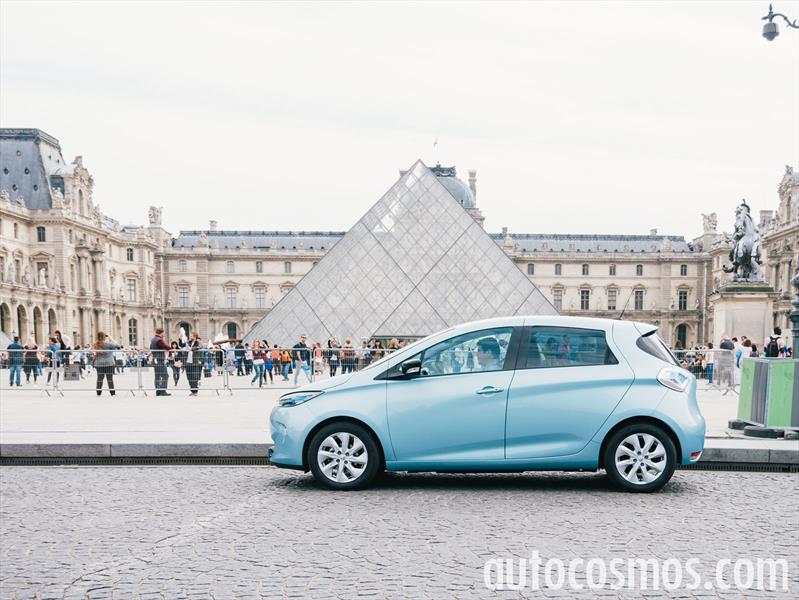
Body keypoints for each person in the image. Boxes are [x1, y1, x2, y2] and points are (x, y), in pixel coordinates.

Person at [93, 331, 121, 396]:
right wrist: (110, 338)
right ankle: (112, 393)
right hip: (109, 363)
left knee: (100, 378)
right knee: (109, 378)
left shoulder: (95, 344)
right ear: (104, 337)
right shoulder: (108, 344)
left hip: (99, 363)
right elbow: (118, 346)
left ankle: (98, 392)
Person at [150, 328, 171, 396]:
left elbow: (151, 347)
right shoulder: (159, 340)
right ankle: (162, 391)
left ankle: (158, 391)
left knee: (157, 376)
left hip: (155, 359)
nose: (164, 334)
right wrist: (171, 348)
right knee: (165, 375)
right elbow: (165, 346)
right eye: (163, 333)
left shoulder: (153, 339)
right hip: (160, 360)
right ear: (161, 333)